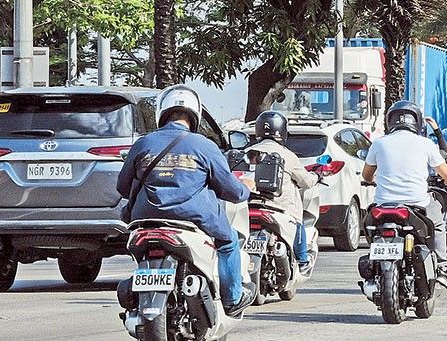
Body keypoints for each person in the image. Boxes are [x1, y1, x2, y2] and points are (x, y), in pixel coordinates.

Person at [117, 85, 255, 317]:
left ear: (163, 112)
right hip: (192, 220)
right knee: (229, 241)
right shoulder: (205, 146)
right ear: (194, 115)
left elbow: (122, 187)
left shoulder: (143, 144)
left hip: (144, 221)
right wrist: (246, 189)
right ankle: (233, 298)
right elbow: (232, 191)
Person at [362, 101, 447, 289]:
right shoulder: (425, 144)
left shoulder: (378, 144)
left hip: (384, 205)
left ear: (390, 121)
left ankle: (374, 260)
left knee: (370, 226)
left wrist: (372, 180)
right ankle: (442, 267)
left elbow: (366, 175)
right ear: (417, 121)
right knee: (439, 223)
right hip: (418, 204)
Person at [250, 110, 318, 273]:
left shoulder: (248, 152)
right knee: (298, 220)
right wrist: (316, 176)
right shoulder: (288, 155)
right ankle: (302, 260)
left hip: (250, 205)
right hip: (280, 209)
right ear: (282, 131)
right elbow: (306, 182)